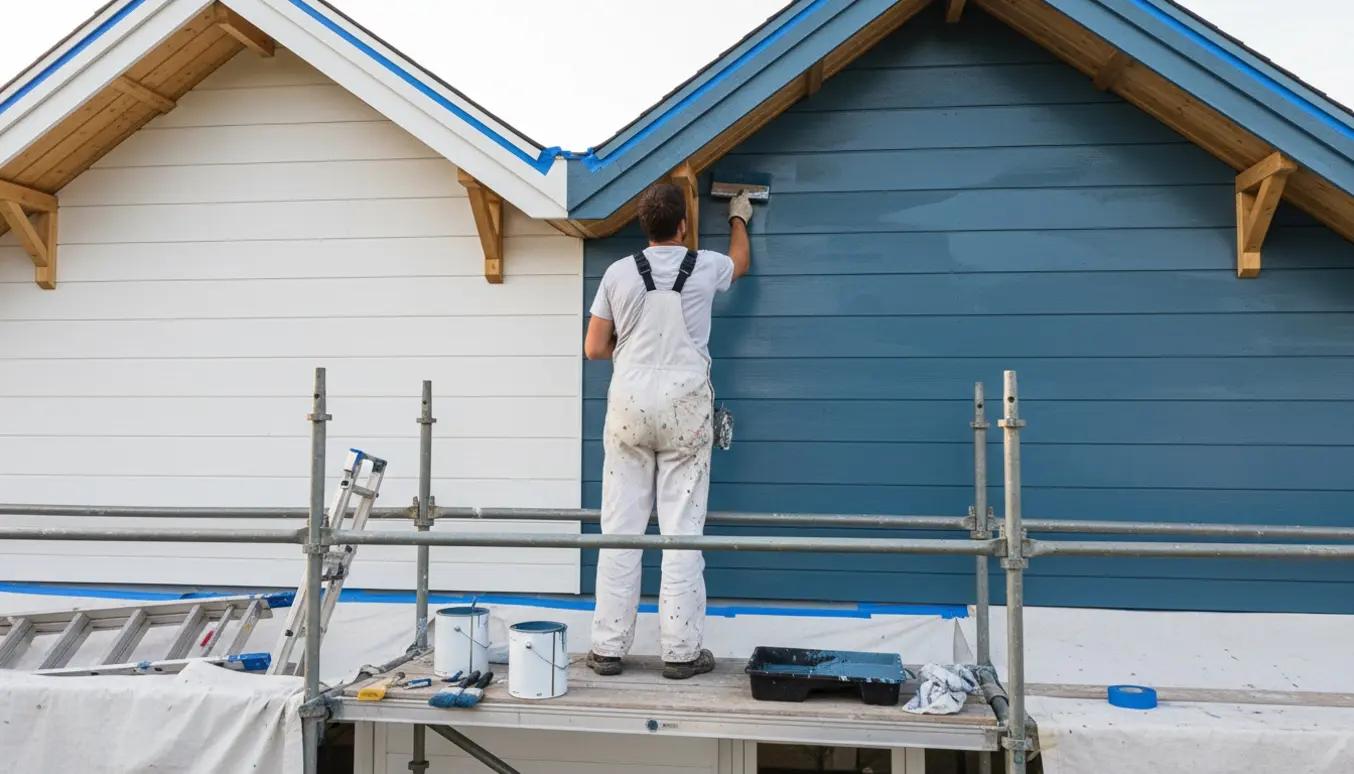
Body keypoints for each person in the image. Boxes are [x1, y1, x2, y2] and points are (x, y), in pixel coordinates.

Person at [582, 182, 753, 679]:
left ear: (645, 226)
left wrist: (632, 340)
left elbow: (594, 348)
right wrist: (738, 218)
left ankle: (607, 649)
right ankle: (680, 654)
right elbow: (739, 263)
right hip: (685, 408)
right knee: (681, 532)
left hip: (630, 406)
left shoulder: (617, 273)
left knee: (619, 532)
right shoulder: (705, 266)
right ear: (683, 226)